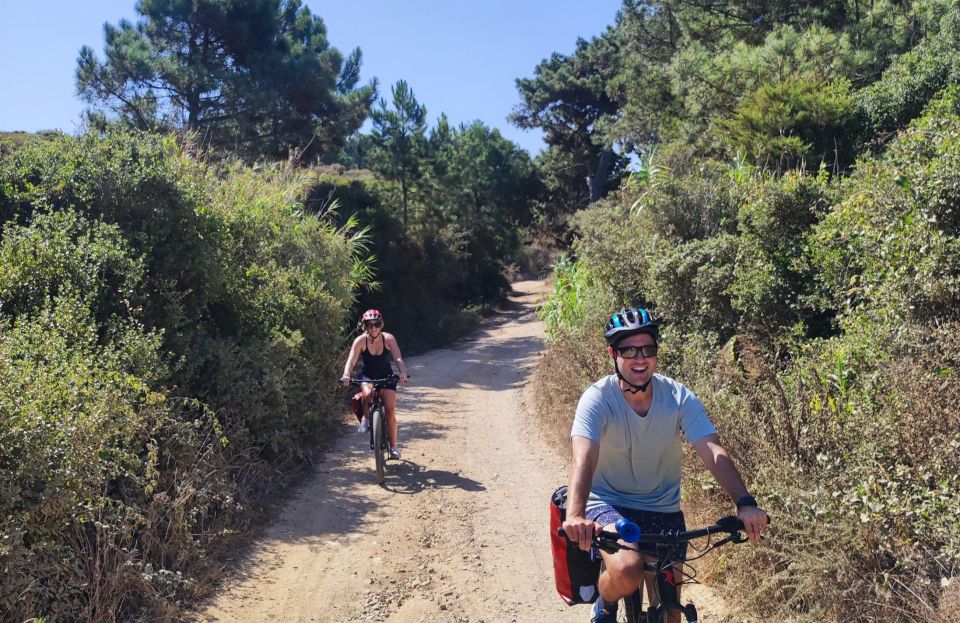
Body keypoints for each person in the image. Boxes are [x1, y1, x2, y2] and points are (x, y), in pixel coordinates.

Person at [561, 307, 769, 623]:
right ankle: (605, 602)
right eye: (629, 350)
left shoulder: (677, 396)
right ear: (613, 354)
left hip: (663, 510)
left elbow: (712, 450)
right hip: (608, 504)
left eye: (647, 349)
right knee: (628, 569)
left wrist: (745, 502)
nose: (639, 358)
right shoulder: (597, 398)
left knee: (672, 614)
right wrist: (576, 514)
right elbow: (584, 460)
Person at [340, 309, 409, 460]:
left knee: (390, 411)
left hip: (386, 375)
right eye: (369, 325)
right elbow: (352, 359)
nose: (373, 328)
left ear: (381, 325)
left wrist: (402, 371)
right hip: (367, 375)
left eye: (376, 324)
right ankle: (366, 417)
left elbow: (397, 358)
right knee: (367, 393)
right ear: (365, 326)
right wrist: (346, 374)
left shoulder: (388, 338)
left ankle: (393, 447)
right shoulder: (360, 340)